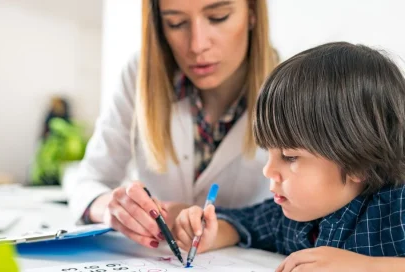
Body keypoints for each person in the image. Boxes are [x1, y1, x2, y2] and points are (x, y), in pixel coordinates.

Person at [173, 42, 405, 271]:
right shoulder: (291, 215)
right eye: (268, 152)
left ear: (359, 163)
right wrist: (212, 233)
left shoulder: (398, 209)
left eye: (290, 157)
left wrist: (366, 266)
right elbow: (247, 224)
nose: (268, 170)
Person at [66, 0, 276, 250]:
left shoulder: (296, 89)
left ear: (252, 13)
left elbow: (311, 216)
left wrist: (222, 224)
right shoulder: (139, 76)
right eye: (175, 23)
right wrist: (111, 208)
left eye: (218, 17)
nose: (197, 45)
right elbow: (88, 181)